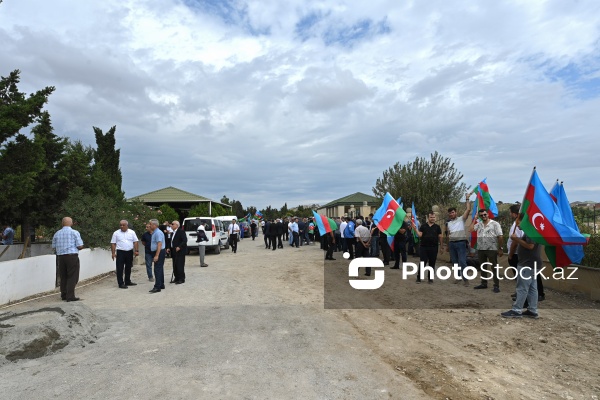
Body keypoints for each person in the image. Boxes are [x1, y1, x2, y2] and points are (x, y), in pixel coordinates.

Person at [501, 215, 541, 318]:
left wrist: (516, 239)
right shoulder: (532, 231)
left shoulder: (530, 232)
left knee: (522, 288)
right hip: (532, 264)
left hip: (527, 264)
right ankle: (532, 310)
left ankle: (517, 310)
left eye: (518, 220)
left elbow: (530, 246)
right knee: (532, 288)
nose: (516, 223)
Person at [470, 208, 504, 292]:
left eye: (485, 214)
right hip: (481, 248)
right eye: (481, 215)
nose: (483, 216)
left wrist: (500, 248)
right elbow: (470, 229)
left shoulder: (495, 224)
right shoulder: (479, 224)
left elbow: (500, 236)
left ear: (488, 214)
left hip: (491, 249)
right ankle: (483, 283)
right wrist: (475, 219)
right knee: (483, 266)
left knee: (494, 267)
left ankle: (496, 285)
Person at [52, 217, 84, 302]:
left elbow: (54, 246)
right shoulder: (74, 232)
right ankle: (70, 296)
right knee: (72, 276)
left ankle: (64, 294)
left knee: (63, 276)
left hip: (61, 257)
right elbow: (80, 246)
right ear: (71, 223)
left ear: (62, 223)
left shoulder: (57, 233)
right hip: (71, 256)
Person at [446, 194, 472, 286]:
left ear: (456, 212)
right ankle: (458, 277)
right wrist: (447, 245)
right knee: (455, 262)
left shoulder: (461, 219)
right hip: (452, 244)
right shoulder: (448, 223)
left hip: (461, 243)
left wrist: (467, 198)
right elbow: (448, 234)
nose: (451, 214)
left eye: (453, 212)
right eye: (450, 213)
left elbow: (468, 209)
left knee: (462, 261)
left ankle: (466, 280)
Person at [412, 212, 442, 283]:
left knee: (432, 263)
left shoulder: (437, 227)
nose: (433, 218)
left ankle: (430, 278)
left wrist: (441, 246)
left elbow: (440, 236)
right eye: (431, 217)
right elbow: (420, 235)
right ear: (428, 218)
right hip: (424, 247)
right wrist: (415, 229)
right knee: (423, 263)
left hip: (434, 248)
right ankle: (419, 278)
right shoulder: (423, 226)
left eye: (434, 217)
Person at [110, 220, 139, 289]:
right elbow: (113, 243)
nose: (122, 226)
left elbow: (135, 242)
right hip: (120, 252)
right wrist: (113, 253)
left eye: (123, 225)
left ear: (127, 225)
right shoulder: (116, 233)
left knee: (128, 267)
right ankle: (120, 283)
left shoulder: (132, 232)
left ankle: (127, 281)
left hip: (129, 251)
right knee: (120, 268)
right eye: (120, 225)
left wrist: (136, 250)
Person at [149, 219, 166, 293]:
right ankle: (161, 284)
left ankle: (157, 286)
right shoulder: (155, 232)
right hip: (159, 252)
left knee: (157, 269)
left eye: (150, 224)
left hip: (159, 252)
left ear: (154, 225)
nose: (149, 226)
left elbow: (159, 244)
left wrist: (156, 255)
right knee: (160, 268)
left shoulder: (158, 233)